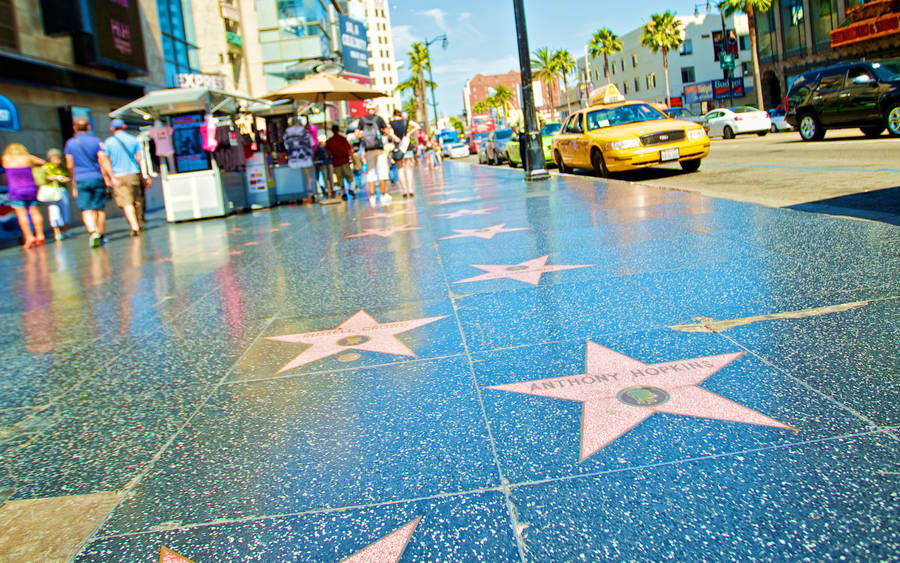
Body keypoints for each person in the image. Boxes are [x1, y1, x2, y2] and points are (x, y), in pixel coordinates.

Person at [64, 117, 114, 248]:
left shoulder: (70, 143)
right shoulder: (96, 141)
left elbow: (69, 163)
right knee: (99, 208)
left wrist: (73, 180)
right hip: (96, 177)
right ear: (89, 127)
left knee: (86, 208)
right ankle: (101, 234)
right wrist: (110, 176)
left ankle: (92, 232)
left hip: (80, 178)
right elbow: (102, 159)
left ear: (74, 127)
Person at [103, 118, 149, 236]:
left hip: (118, 175)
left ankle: (134, 225)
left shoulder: (108, 142)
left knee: (126, 202)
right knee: (137, 200)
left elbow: (105, 161)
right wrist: (144, 175)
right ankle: (139, 222)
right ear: (124, 126)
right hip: (134, 173)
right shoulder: (133, 140)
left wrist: (109, 177)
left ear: (111, 128)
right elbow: (139, 159)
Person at [1, 143, 46, 249]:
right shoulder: (27, 158)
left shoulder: (6, 159)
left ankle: (29, 237)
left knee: (22, 215)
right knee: (35, 212)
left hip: (16, 190)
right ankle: (40, 234)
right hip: (31, 188)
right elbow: (42, 162)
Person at [355, 102, 391, 206]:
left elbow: (357, 134)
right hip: (379, 149)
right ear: (375, 109)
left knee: (371, 173)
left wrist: (365, 137)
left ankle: (372, 196)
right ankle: (383, 195)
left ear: (367, 110)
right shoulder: (379, 119)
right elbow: (387, 132)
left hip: (368, 149)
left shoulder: (362, 120)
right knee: (382, 171)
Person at [388, 109, 420, 198]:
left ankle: (404, 191)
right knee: (409, 169)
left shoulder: (391, 123)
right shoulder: (406, 121)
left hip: (398, 147)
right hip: (407, 146)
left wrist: (393, 137)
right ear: (401, 115)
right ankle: (410, 189)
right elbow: (417, 126)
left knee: (400, 169)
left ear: (393, 115)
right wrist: (409, 133)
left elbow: (386, 131)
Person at [41, 149, 71, 241]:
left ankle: (65, 229)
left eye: (58, 158)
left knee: (65, 210)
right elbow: (43, 177)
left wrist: (66, 179)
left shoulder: (62, 167)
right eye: (55, 159)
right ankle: (56, 231)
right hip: (52, 191)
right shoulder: (47, 167)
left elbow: (68, 176)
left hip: (62, 190)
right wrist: (56, 178)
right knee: (54, 211)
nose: (57, 161)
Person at [325, 124, 356, 200]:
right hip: (344, 161)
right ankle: (351, 189)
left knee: (340, 178)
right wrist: (353, 159)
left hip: (336, 162)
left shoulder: (330, 141)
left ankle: (344, 192)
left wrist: (327, 158)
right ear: (338, 130)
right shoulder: (343, 139)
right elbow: (349, 150)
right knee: (349, 176)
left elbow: (327, 153)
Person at [312, 134, 334, 200]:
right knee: (325, 177)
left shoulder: (328, 146)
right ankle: (327, 190)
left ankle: (331, 189)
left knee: (330, 177)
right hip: (322, 164)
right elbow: (316, 156)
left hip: (329, 163)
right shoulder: (318, 148)